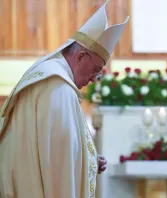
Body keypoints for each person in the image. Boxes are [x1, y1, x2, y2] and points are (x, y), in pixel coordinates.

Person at [0, 0, 129, 197]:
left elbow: (53, 148)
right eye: (95, 70)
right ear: (80, 57)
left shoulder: (46, 75)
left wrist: (91, 160)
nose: (94, 78)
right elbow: (59, 164)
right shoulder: (59, 88)